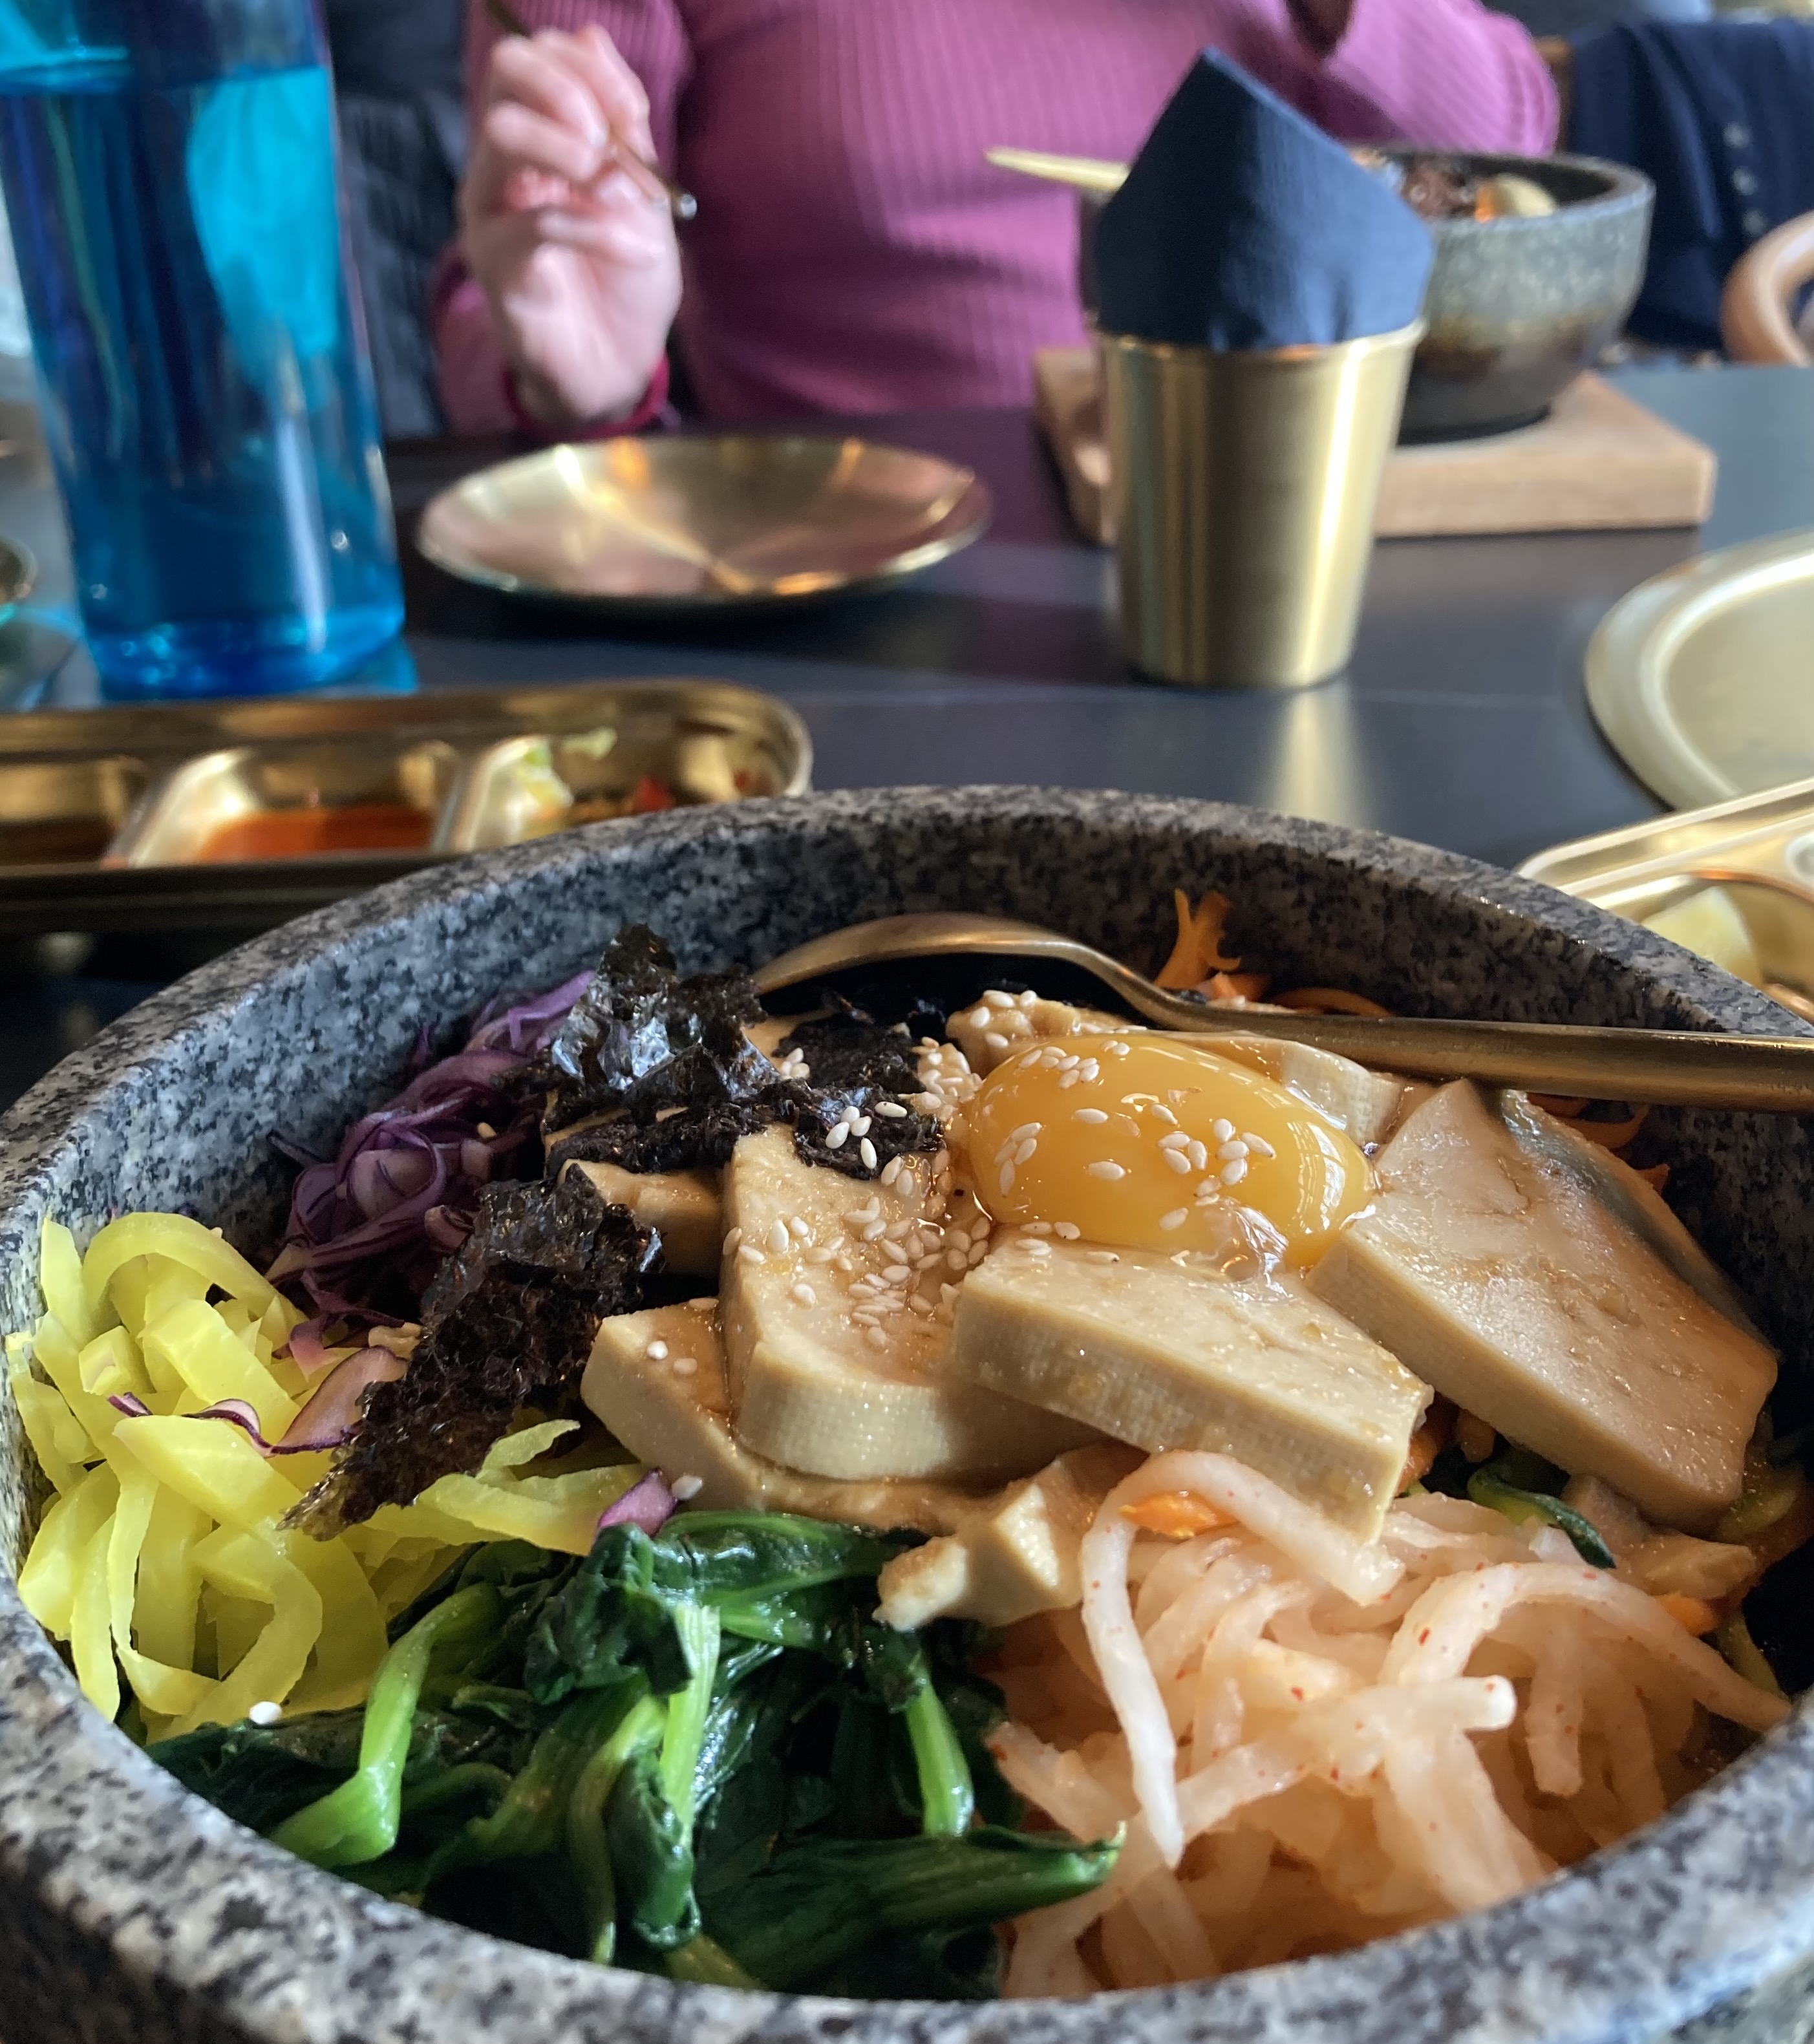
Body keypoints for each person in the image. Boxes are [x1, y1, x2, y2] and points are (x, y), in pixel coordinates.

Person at [436, 0, 1558, 434]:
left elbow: (1516, 141)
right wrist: (576, 388)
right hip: (872, 592)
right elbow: (499, 291)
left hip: (1308, 531)